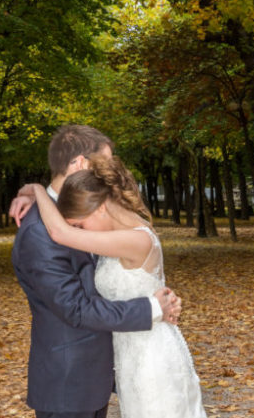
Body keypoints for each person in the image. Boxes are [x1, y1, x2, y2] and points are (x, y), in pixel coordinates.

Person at [17, 154, 207, 418]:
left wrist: (37, 189)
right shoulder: (114, 239)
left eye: (81, 224)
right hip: (127, 357)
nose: (82, 231)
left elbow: (60, 233)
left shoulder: (136, 240)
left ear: (101, 208)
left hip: (150, 357)